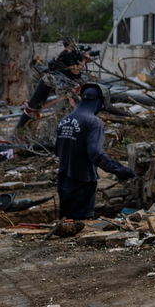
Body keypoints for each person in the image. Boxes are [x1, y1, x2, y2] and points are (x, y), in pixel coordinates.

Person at [54, 83, 135, 220]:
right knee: (80, 226)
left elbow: (57, 150)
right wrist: (119, 169)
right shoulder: (93, 122)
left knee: (66, 223)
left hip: (63, 182)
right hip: (83, 183)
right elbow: (95, 154)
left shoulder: (64, 120)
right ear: (101, 102)